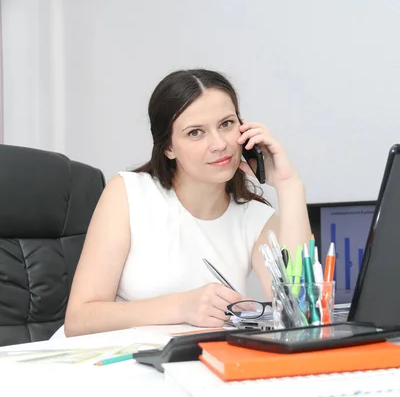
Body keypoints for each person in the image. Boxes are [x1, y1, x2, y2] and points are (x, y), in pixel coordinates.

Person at [60, 69, 311, 337]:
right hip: (113, 362)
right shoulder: (129, 192)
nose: (219, 144)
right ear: (168, 147)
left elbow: (301, 311)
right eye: (195, 133)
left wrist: (289, 185)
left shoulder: (254, 216)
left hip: (195, 365)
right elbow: (79, 319)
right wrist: (181, 306)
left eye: (226, 124)